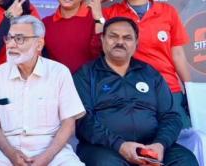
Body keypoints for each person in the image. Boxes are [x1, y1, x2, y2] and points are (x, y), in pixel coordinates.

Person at [73, 17, 198, 166]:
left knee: (185, 160)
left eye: (127, 38)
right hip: (105, 148)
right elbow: (83, 120)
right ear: (102, 39)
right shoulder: (86, 75)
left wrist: (160, 144)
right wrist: (120, 145)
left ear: (136, 43)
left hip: (151, 145)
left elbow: (171, 116)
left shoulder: (150, 73)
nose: (120, 42)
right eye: (113, 36)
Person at [91, 0, 192, 128]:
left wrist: (190, 89)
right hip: (127, 88)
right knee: (140, 138)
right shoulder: (111, 12)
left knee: (182, 136)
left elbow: (178, 54)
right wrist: (101, 0)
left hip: (168, 86)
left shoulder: (167, 12)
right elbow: (98, 45)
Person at [0, 15, 85, 166]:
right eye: (9, 38)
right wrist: (11, 154)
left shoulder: (59, 72)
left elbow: (68, 124)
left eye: (19, 39)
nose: (11, 45)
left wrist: (46, 157)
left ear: (39, 44)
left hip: (51, 149)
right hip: (9, 149)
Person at [42, 0, 101, 74]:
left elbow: (102, 50)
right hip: (58, 81)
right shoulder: (45, 23)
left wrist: (99, 19)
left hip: (91, 81)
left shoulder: (96, 18)